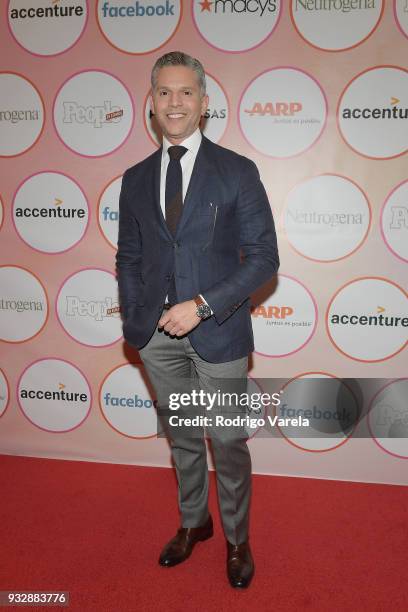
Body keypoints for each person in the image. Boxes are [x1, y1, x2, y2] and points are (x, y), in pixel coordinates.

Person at [116, 51, 279, 589]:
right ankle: (195, 523)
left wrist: (203, 305)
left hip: (219, 331)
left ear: (204, 103)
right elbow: (129, 256)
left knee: (227, 440)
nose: (175, 102)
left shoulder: (237, 170)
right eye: (164, 92)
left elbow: (263, 258)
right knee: (182, 436)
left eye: (186, 92)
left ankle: (237, 538)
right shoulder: (136, 178)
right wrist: (138, 315)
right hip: (156, 337)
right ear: (151, 104)